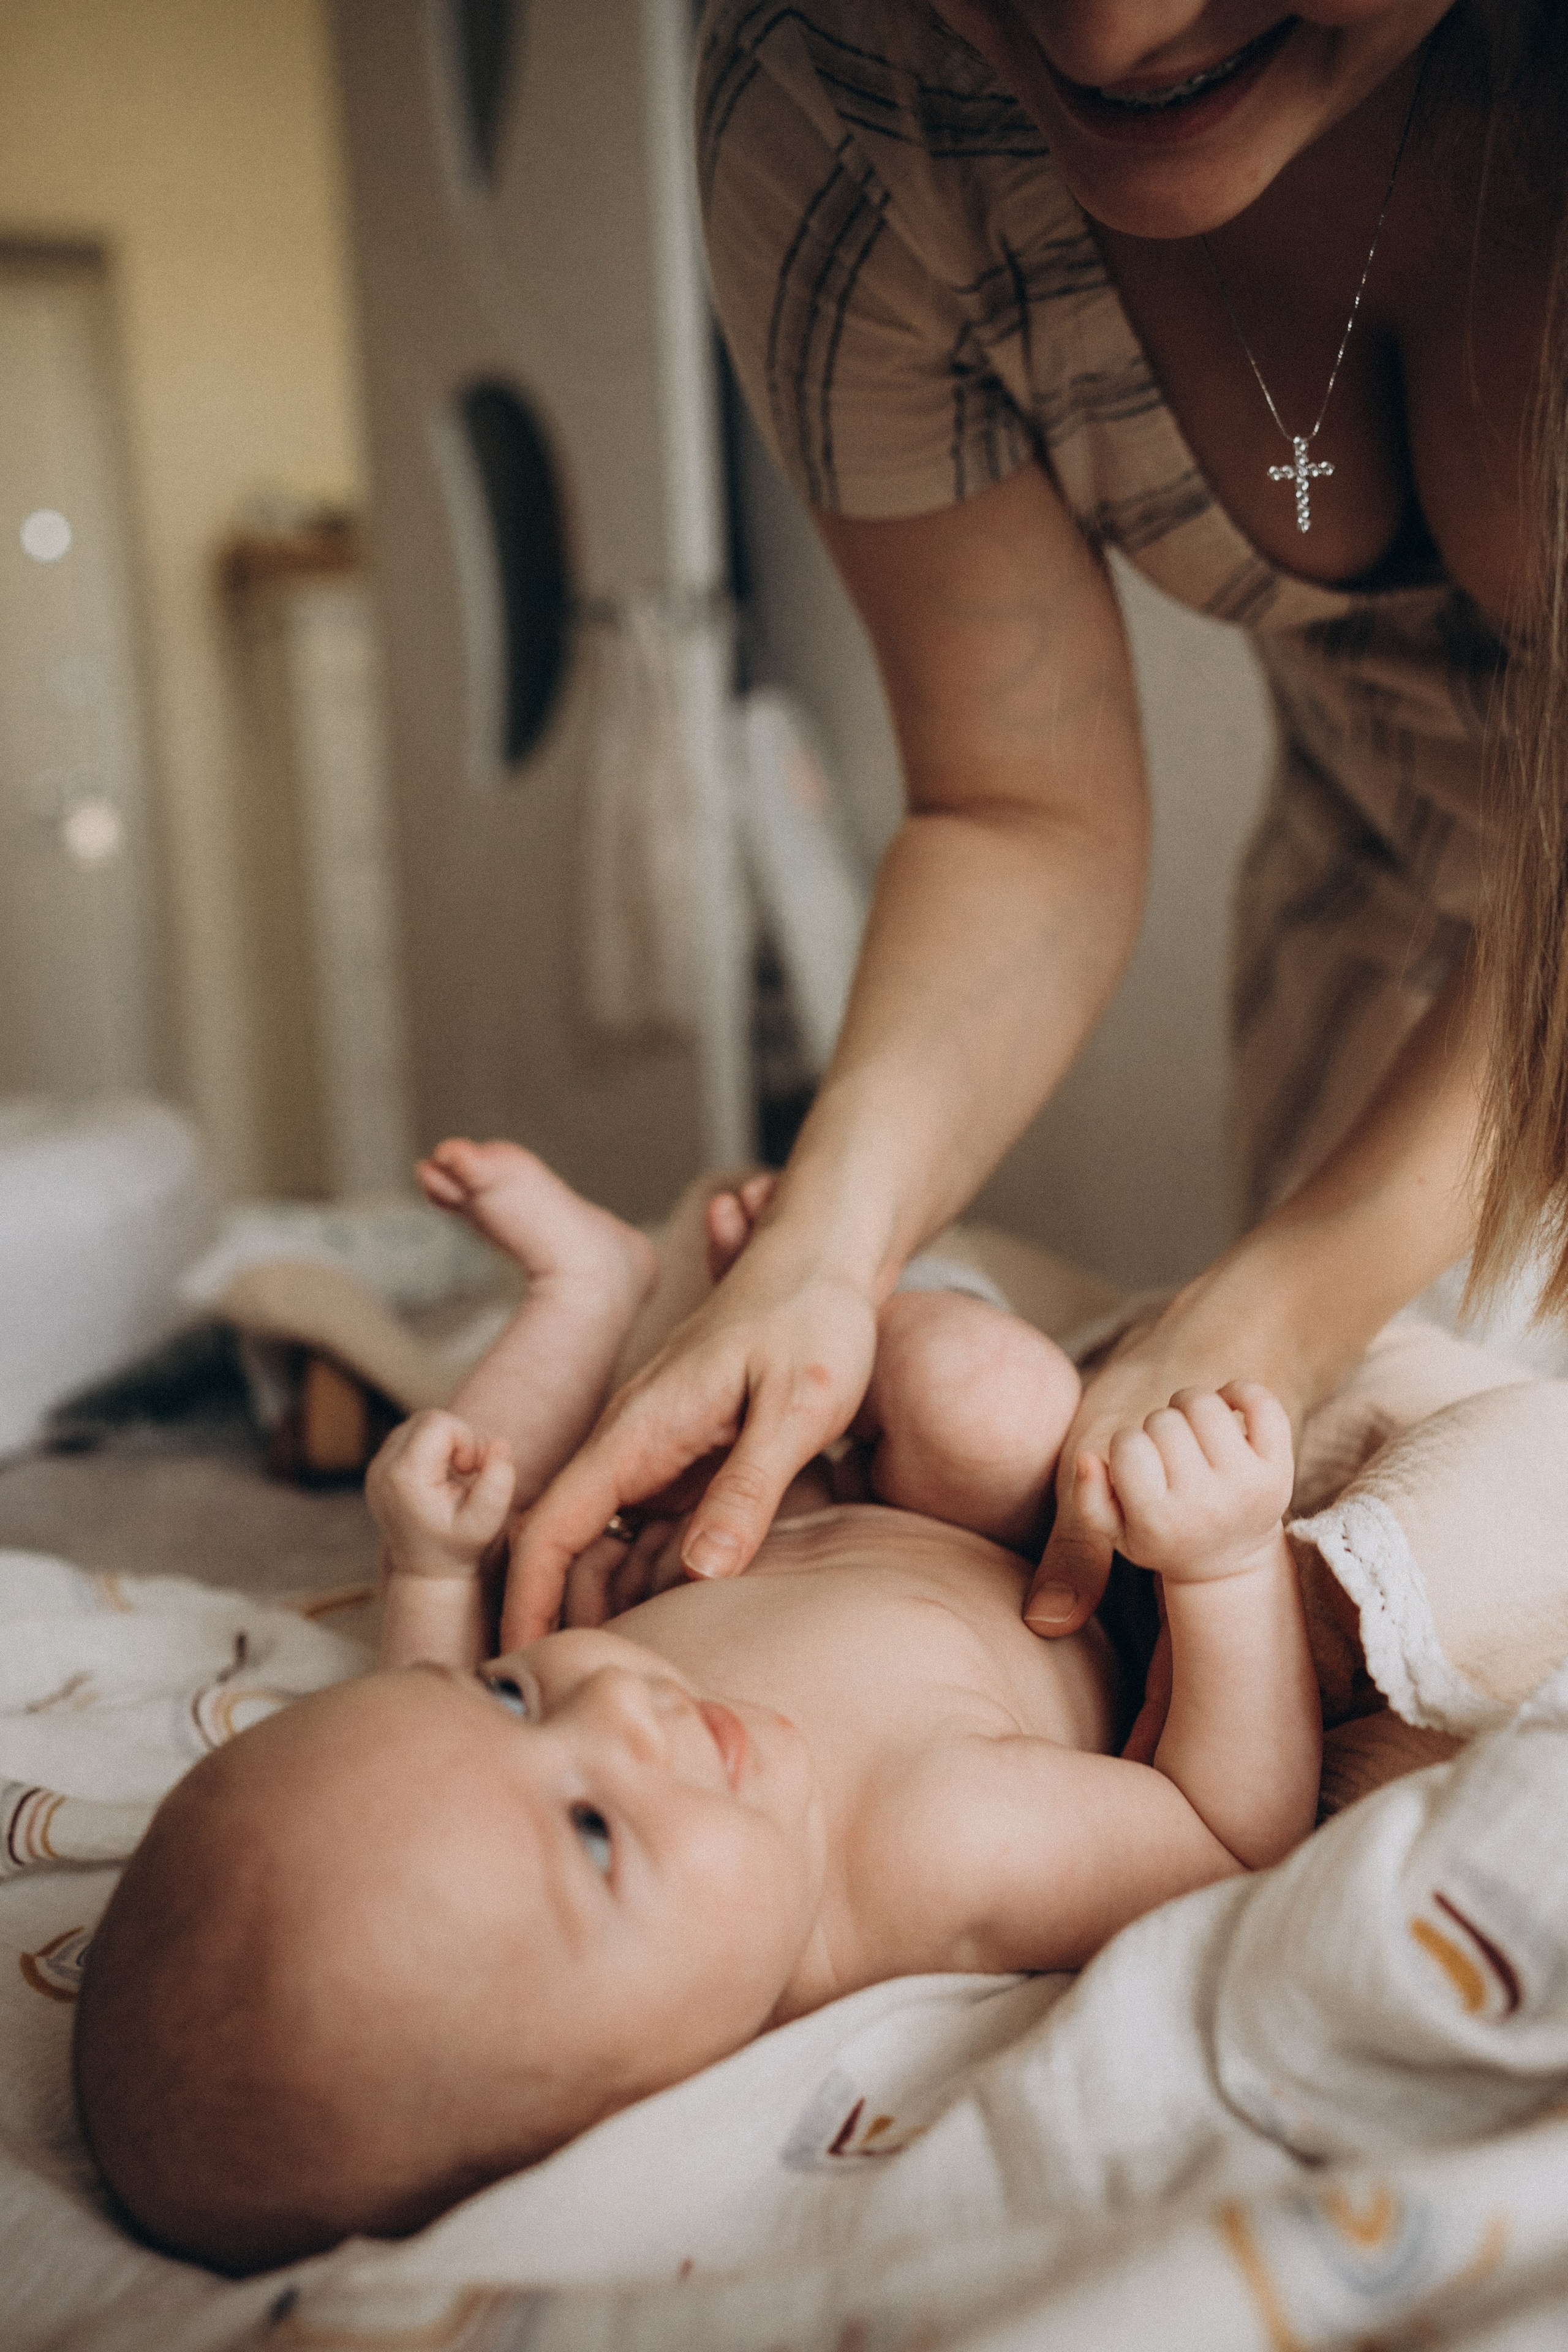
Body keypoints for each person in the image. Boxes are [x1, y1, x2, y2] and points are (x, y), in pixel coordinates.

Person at [499, 3, 1568, 1664]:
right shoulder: (842, 92)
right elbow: (1018, 808)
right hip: (1380, 939)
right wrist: (827, 1248)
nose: (1110, 28)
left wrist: (1286, 1301)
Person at [72, 1140, 1319, 2274]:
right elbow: (1224, 1836)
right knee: (984, 1395)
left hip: (737, 1527)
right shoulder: (934, 1850)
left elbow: (418, 1703)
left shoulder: (627, 1751)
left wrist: (432, 1568)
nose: (616, 1712)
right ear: (617, 2118)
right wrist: (1224, 1565)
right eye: (595, 1836)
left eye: (514, 1705)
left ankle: (617, 1293)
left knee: (515, 1516)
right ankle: (670, 1298)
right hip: (1016, 1544)